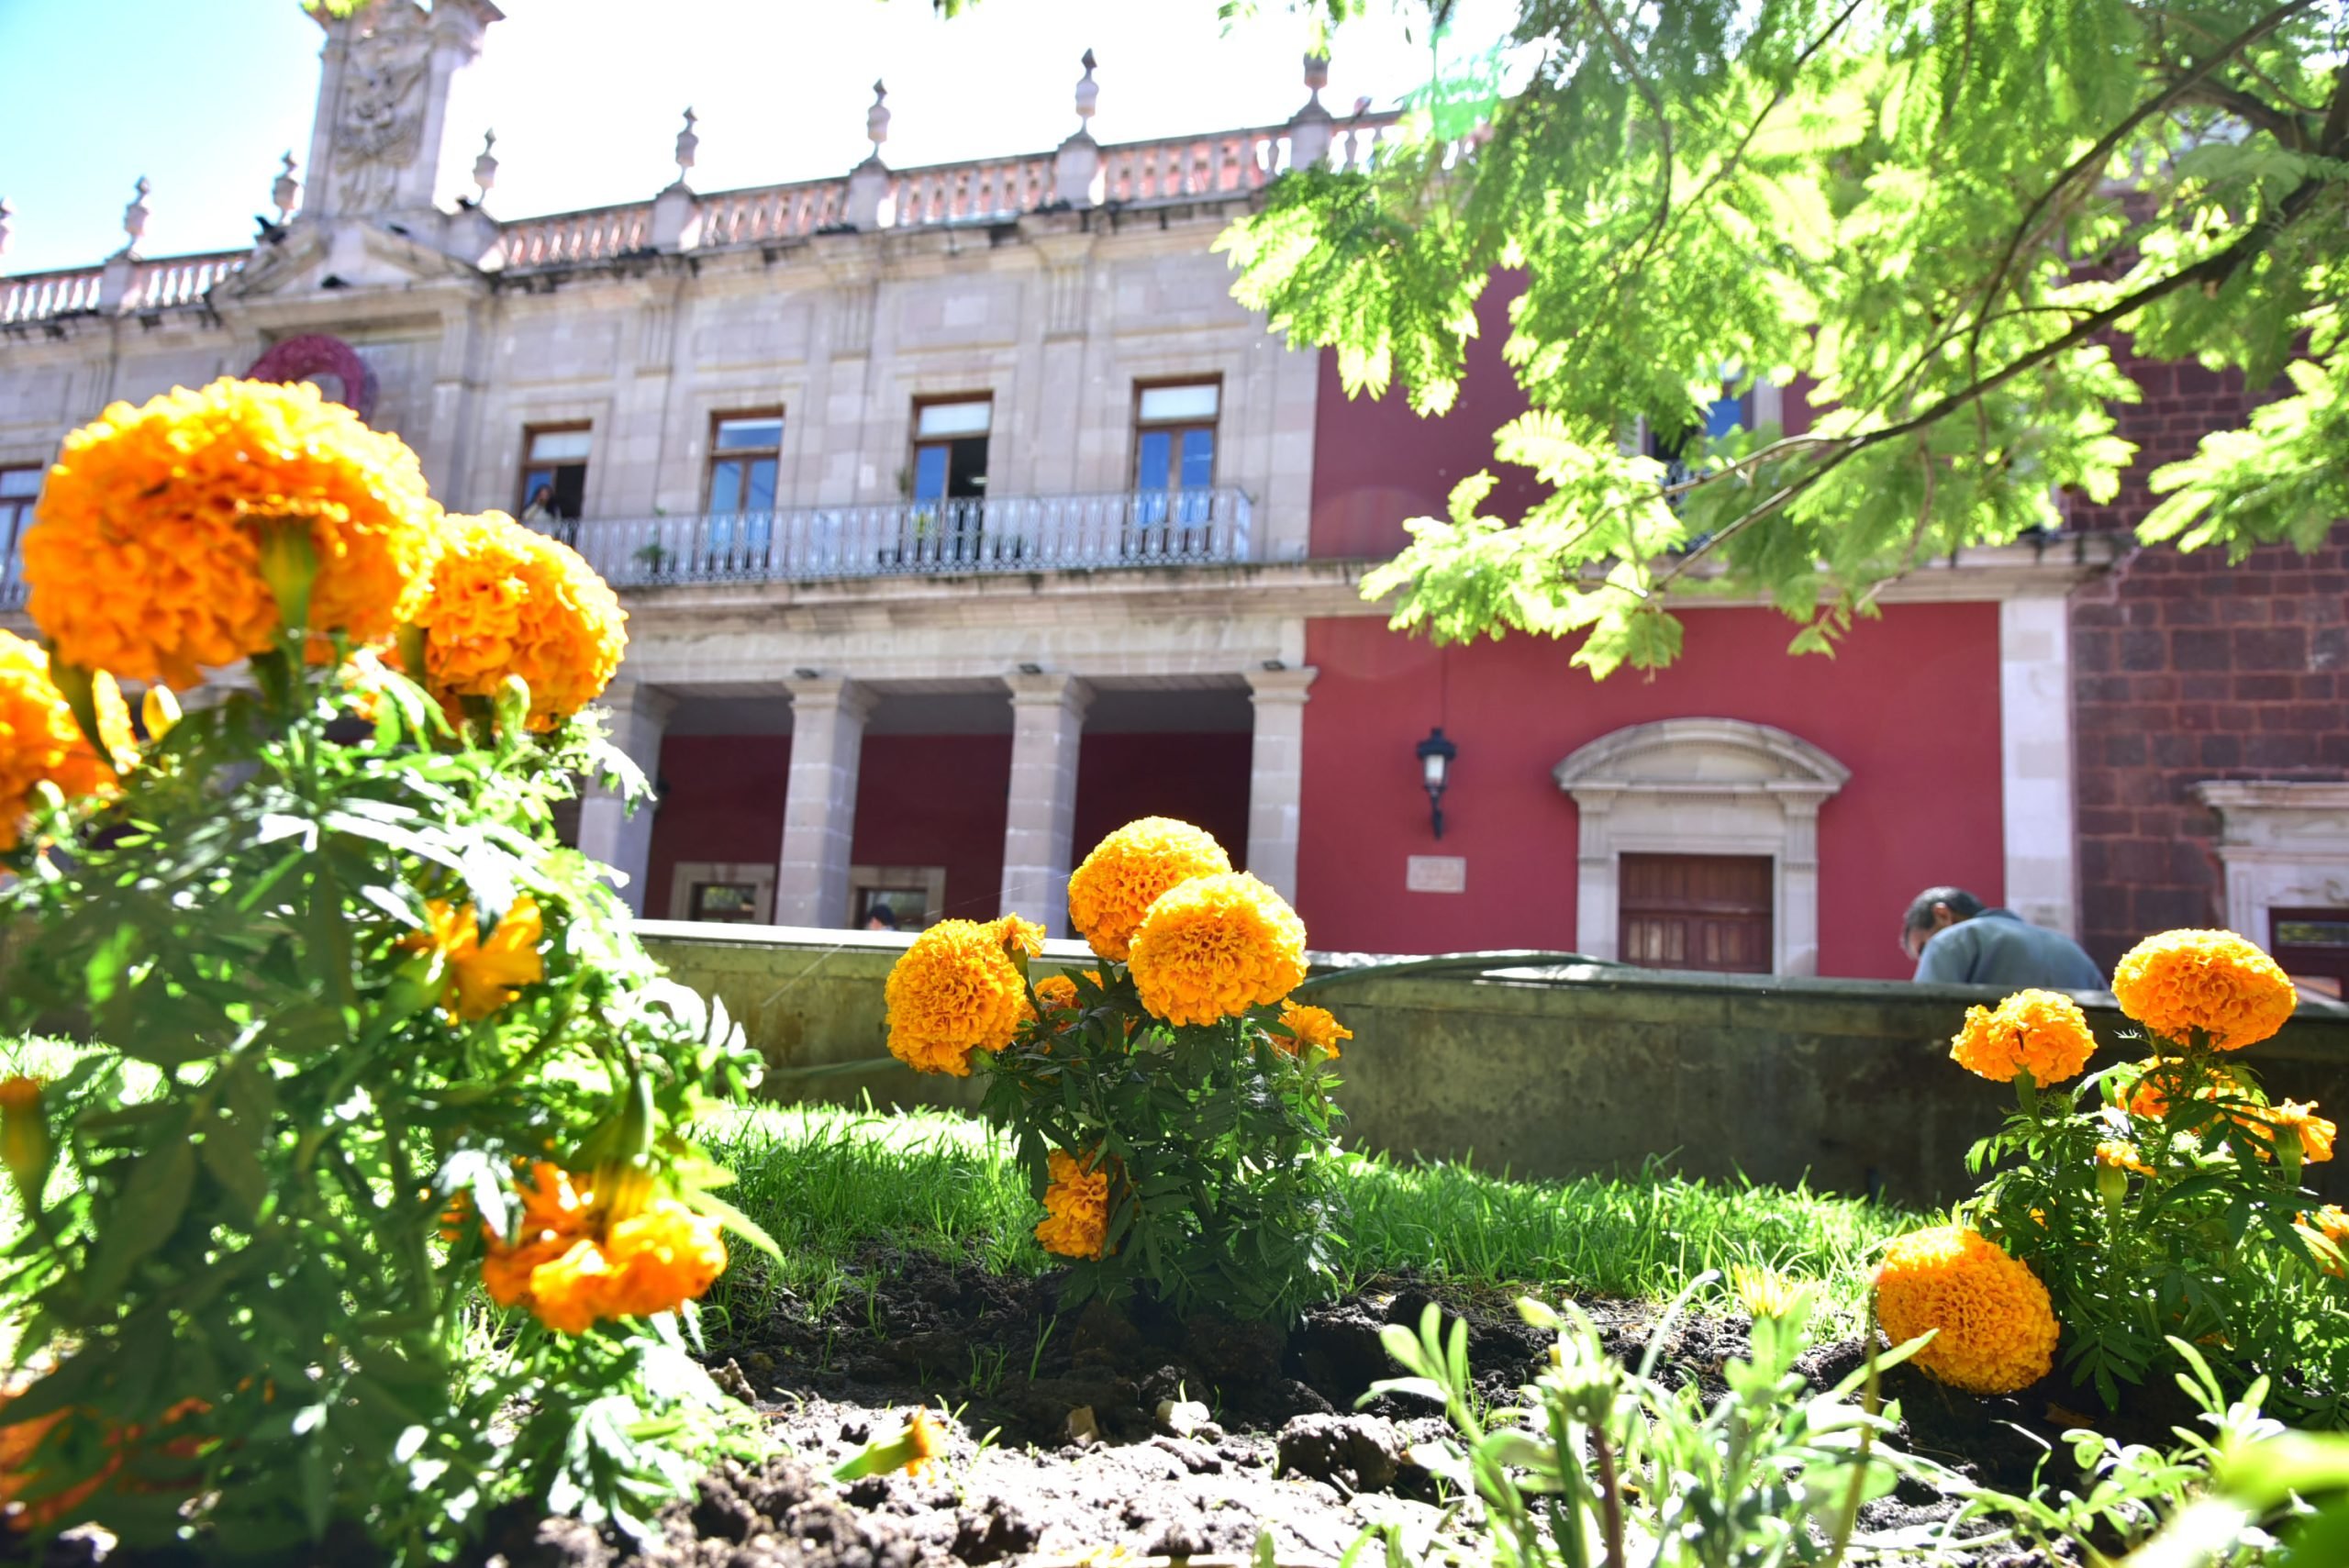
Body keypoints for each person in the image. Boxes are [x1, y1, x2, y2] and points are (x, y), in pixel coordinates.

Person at [1901, 886, 2104, 988]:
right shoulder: (2072, 950)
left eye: (1923, 949)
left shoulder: (1949, 941)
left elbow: (1925, 1019)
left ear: (1942, 915)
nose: (1925, 962)